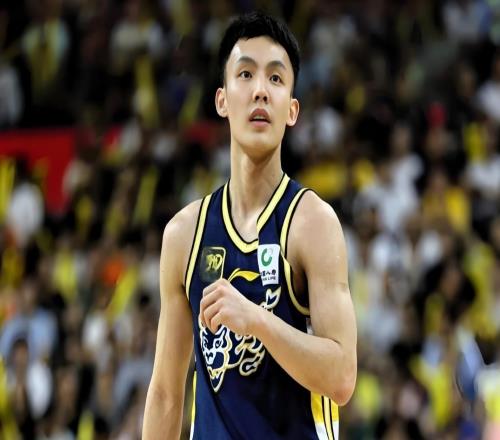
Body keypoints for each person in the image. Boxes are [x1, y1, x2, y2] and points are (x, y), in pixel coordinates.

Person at [142, 11, 357, 440]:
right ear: (222, 100)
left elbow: (341, 377)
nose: (260, 90)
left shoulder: (312, 223)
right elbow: (166, 394)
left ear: (291, 110)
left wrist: (256, 320)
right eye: (245, 74)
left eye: (275, 79)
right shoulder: (184, 235)